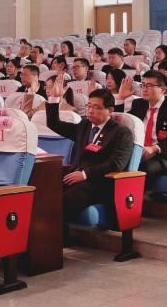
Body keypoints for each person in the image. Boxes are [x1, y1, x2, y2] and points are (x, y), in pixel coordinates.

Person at [44, 83, 133, 222]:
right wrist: (54, 99)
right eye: (89, 106)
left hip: (98, 183)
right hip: (74, 177)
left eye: (96, 107)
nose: (90, 111)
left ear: (110, 110)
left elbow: (116, 164)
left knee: (66, 200)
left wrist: (85, 174)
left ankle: (56, 234)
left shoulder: (121, 132)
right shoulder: (84, 125)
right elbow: (54, 124)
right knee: (45, 190)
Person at [128, 71, 167, 201]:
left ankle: (130, 202)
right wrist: (121, 98)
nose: (145, 89)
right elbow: (122, 124)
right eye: (143, 85)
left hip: (163, 156)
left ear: (163, 89)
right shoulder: (138, 104)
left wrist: (155, 148)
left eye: (149, 86)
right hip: (138, 151)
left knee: (141, 168)